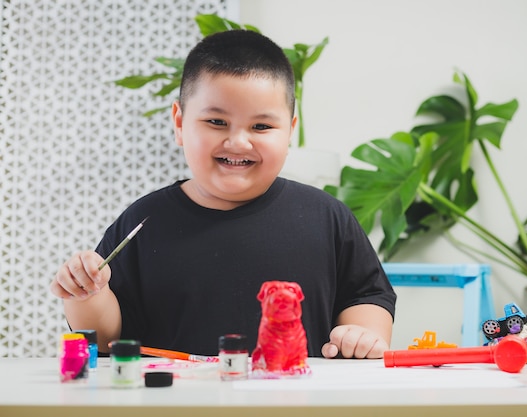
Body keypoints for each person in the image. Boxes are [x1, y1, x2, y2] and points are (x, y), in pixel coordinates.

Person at [50, 29, 396, 359]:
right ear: (180, 123)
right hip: (178, 402)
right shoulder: (143, 221)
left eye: (261, 126)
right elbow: (107, 341)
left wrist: (360, 334)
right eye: (216, 122)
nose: (238, 142)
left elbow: (367, 294)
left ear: (289, 131)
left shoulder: (326, 216)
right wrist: (86, 293)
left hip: (293, 400)